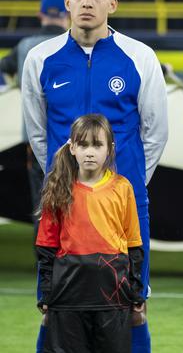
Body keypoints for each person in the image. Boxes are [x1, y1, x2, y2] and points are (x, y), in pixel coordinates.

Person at [22, 0, 168, 353]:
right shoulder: (40, 59)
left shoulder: (139, 57)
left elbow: (155, 132)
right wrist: (62, 177)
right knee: (53, 306)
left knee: (134, 305)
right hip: (64, 202)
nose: (88, 1)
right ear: (68, 2)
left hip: (124, 203)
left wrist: (127, 182)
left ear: (113, 3)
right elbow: (37, 133)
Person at [35, 114, 145, 353]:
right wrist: (46, 293)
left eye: (97, 145)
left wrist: (136, 291)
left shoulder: (122, 187)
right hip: (68, 296)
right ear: (72, 147)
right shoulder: (57, 187)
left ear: (110, 149)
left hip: (112, 297)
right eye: (83, 145)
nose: (90, 152)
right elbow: (46, 248)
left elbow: (134, 245)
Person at [0, 0, 69, 231]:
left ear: (40, 15)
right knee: (76, 202)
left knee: (42, 205)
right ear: (67, 13)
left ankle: (45, 264)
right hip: (73, 139)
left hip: (34, 139)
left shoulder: (25, 46)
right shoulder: (77, 44)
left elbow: (3, 68)